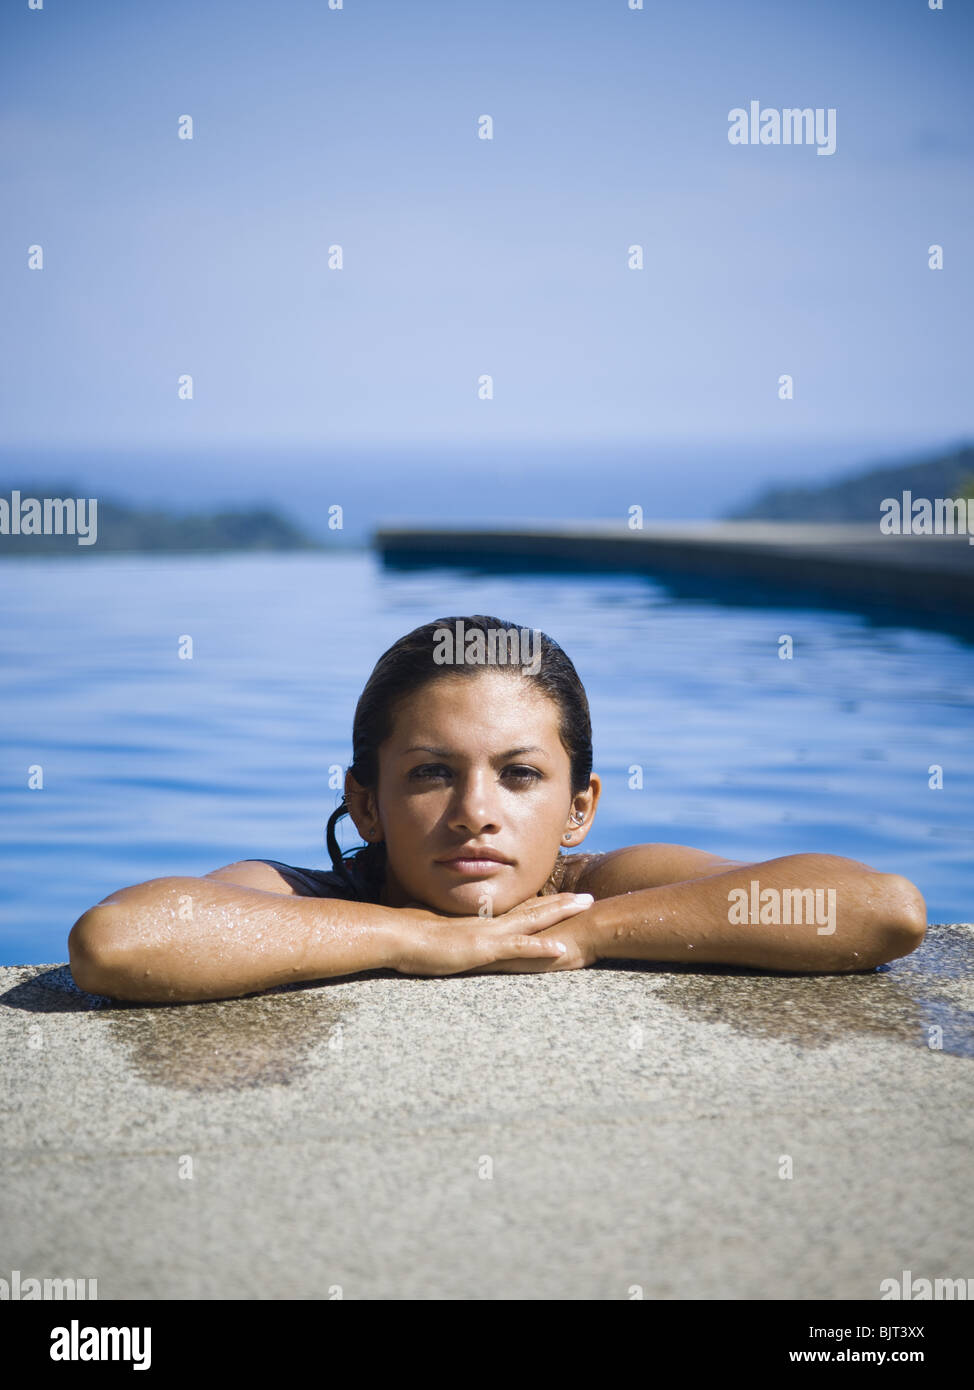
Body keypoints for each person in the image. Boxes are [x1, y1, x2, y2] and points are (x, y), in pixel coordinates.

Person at [68, 615, 927, 1004]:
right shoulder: (304, 895)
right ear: (363, 803)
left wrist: (582, 934)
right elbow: (118, 942)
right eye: (431, 773)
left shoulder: (602, 886)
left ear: (580, 807)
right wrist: (420, 939)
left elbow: (880, 910)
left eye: (519, 776)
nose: (476, 811)